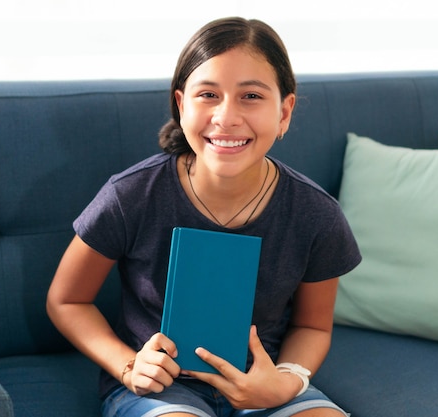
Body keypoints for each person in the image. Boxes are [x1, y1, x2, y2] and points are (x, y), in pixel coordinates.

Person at [47, 16, 361, 417]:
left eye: (251, 96)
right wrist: (129, 367)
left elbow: (313, 327)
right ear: (181, 105)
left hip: (262, 383)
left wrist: (286, 381)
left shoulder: (316, 214)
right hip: (158, 389)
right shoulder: (130, 195)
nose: (227, 117)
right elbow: (67, 300)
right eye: (209, 94)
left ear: (284, 112)